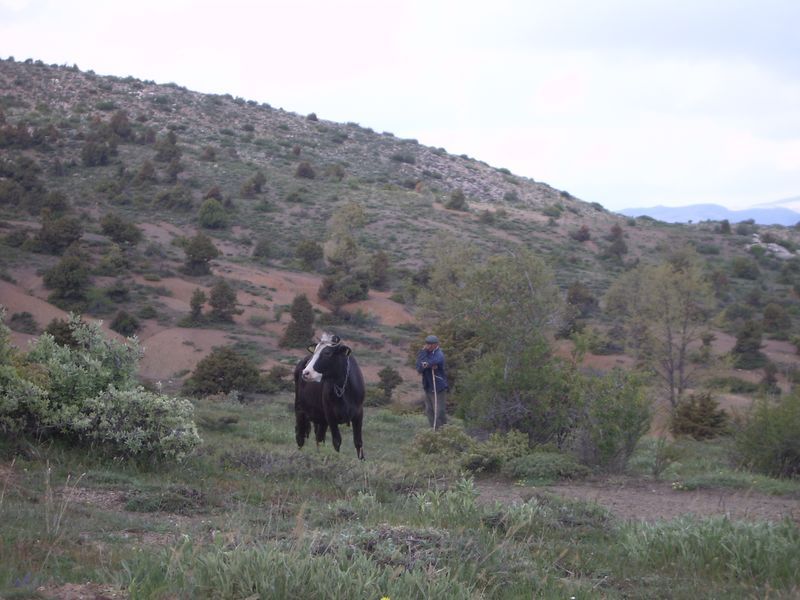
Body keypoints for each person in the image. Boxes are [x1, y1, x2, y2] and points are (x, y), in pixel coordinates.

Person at [415, 334, 449, 429]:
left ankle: (444, 431)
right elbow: (419, 367)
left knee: (439, 411)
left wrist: (427, 364)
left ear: (436, 344)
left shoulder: (439, 353)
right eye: (427, 343)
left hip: (438, 387)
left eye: (430, 344)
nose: (428, 346)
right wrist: (425, 361)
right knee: (429, 410)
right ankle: (434, 430)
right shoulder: (425, 352)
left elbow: (435, 361)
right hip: (428, 386)